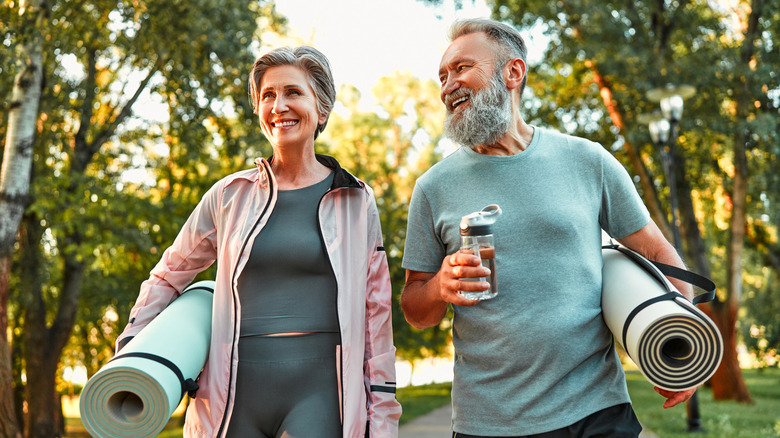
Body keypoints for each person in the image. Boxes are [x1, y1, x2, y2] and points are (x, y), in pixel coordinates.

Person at [400, 18, 697, 438]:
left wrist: (685, 344)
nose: (448, 85)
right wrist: (438, 287)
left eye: (462, 68)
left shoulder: (588, 160)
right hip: (489, 421)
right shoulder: (432, 188)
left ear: (513, 72)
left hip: (598, 409)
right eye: (442, 76)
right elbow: (415, 310)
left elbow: (658, 253)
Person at [116, 46, 401, 438]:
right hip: (232, 394)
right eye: (268, 95)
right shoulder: (228, 195)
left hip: (320, 393)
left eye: (293, 93)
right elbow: (169, 275)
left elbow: (376, 312)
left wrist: (383, 412)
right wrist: (130, 351)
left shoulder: (355, 199)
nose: (279, 105)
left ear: (322, 109)